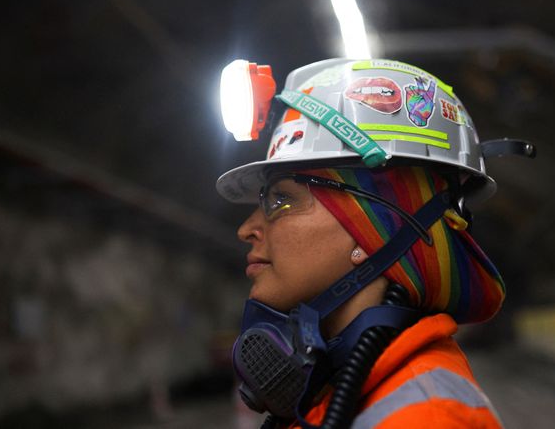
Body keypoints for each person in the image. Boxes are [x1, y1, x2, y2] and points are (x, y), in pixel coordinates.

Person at [217, 59, 531, 428]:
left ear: (371, 230)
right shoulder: (333, 382)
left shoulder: (427, 418)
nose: (247, 229)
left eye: (281, 200)